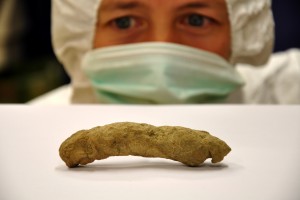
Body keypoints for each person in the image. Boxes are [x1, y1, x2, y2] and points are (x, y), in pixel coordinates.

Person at [29, 0, 300, 104]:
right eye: (124, 22)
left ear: (240, 31)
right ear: (81, 32)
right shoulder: (26, 134)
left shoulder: (284, 99)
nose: (163, 48)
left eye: (196, 20)